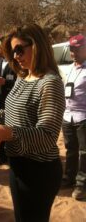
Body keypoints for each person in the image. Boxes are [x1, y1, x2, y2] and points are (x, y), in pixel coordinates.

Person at [0, 24, 65, 222]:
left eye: (20, 49)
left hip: (39, 170)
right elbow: (13, 112)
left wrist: (8, 133)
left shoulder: (50, 82)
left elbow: (47, 136)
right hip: (18, 163)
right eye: (12, 51)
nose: (16, 56)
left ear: (37, 46)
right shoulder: (24, 75)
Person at [62, 34, 86, 200]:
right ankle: (68, 177)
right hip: (68, 116)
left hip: (83, 117)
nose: (73, 52)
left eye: (77, 48)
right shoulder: (68, 69)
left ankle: (81, 184)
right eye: (71, 49)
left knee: (84, 153)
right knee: (70, 149)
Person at [0, 36, 16, 167]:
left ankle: (10, 156)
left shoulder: (15, 63)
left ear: (5, 47)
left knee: (10, 129)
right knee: (0, 128)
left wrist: (6, 82)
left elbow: (20, 83)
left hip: (11, 103)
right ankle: (1, 157)